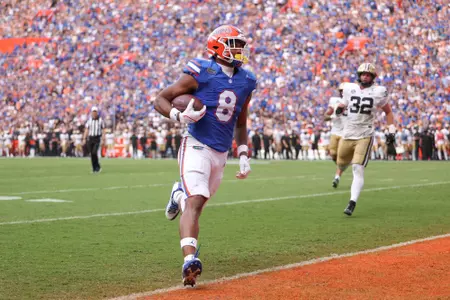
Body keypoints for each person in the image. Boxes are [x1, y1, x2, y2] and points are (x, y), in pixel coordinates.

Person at [154, 25, 256, 286]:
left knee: (194, 205)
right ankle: (189, 260)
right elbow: (162, 99)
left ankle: (178, 194)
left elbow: (241, 122)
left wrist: (243, 153)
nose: (240, 50)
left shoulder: (246, 80)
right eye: (235, 44)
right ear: (218, 46)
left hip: (220, 153)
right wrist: (178, 115)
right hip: (196, 143)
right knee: (196, 200)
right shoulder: (202, 71)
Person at [335, 63, 396, 216]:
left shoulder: (378, 91)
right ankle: (339, 172)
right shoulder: (349, 88)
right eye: (363, 74)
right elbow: (345, 103)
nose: (365, 76)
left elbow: (388, 112)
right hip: (348, 134)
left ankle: (352, 202)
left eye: (368, 75)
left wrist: (391, 129)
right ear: (359, 75)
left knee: (357, 168)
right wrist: (340, 107)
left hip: (365, 134)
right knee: (341, 162)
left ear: (373, 77)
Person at [324, 83, 346, 188]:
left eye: (344, 90)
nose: (342, 92)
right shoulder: (334, 101)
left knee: (341, 155)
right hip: (335, 131)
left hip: (345, 133)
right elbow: (326, 116)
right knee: (333, 154)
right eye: (341, 90)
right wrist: (332, 115)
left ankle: (337, 176)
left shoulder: (353, 101)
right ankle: (341, 166)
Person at [83, 106, 105, 173]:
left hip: (97, 138)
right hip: (91, 138)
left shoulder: (100, 120)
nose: (94, 113)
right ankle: (94, 168)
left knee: (94, 152)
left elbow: (103, 130)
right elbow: (86, 129)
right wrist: (84, 138)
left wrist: (103, 139)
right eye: (93, 112)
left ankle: (97, 167)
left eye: (95, 112)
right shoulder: (89, 120)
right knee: (92, 154)